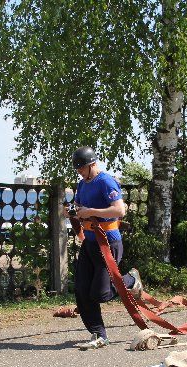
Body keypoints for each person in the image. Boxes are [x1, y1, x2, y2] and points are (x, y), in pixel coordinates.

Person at [65, 146, 142, 350]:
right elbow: (78, 206)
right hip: (90, 242)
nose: (79, 172)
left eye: (82, 168)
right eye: (77, 169)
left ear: (92, 165)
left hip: (108, 241)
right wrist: (72, 212)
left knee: (101, 293)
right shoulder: (82, 184)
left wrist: (91, 211)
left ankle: (131, 280)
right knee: (82, 290)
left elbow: (119, 210)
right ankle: (99, 334)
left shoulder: (105, 181)